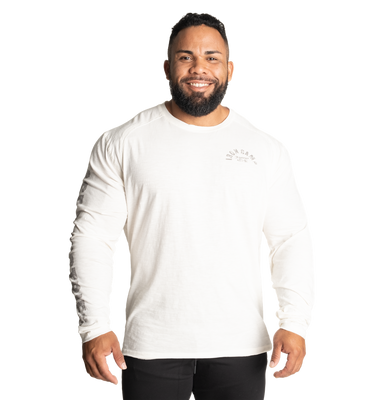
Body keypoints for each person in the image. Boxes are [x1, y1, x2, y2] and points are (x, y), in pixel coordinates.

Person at [65, 10, 317, 400]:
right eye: (186, 57)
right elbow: (92, 237)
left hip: (241, 343)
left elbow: (291, 240)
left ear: (231, 69)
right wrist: (94, 326)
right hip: (149, 345)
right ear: (166, 67)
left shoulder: (267, 147)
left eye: (212, 58)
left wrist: (296, 323)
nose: (199, 68)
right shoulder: (121, 141)